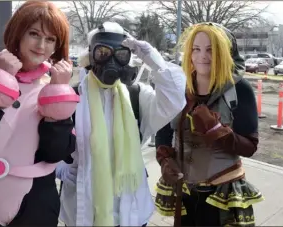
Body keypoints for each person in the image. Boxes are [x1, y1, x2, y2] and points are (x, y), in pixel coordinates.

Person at [0, 1, 77, 226]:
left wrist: (57, 93)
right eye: (34, 34)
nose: (41, 45)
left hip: (36, 202)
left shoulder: (57, 83)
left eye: (50, 39)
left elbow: (55, 152)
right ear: (18, 32)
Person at [56, 21, 187, 226]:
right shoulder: (71, 97)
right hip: (84, 211)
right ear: (90, 55)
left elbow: (175, 99)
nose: (111, 61)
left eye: (121, 54)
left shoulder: (137, 96)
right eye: (102, 52)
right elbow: (43, 140)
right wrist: (58, 167)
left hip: (131, 210)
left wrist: (153, 60)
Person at [154, 22, 264, 226]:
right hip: (185, 191)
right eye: (196, 49)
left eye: (211, 50)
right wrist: (164, 160)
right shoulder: (179, 86)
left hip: (221, 195)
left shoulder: (239, 89)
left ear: (224, 53)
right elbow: (162, 133)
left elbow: (250, 146)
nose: (201, 56)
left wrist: (217, 131)